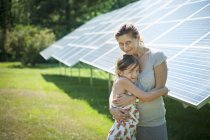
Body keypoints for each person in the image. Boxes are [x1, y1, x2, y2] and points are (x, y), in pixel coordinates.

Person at [109, 23, 168, 140]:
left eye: (128, 42)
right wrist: (112, 108)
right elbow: (116, 87)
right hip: (128, 122)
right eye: (121, 44)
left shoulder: (157, 57)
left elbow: (160, 90)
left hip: (152, 121)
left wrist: (133, 99)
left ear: (137, 37)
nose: (125, 48)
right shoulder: (125, 59)